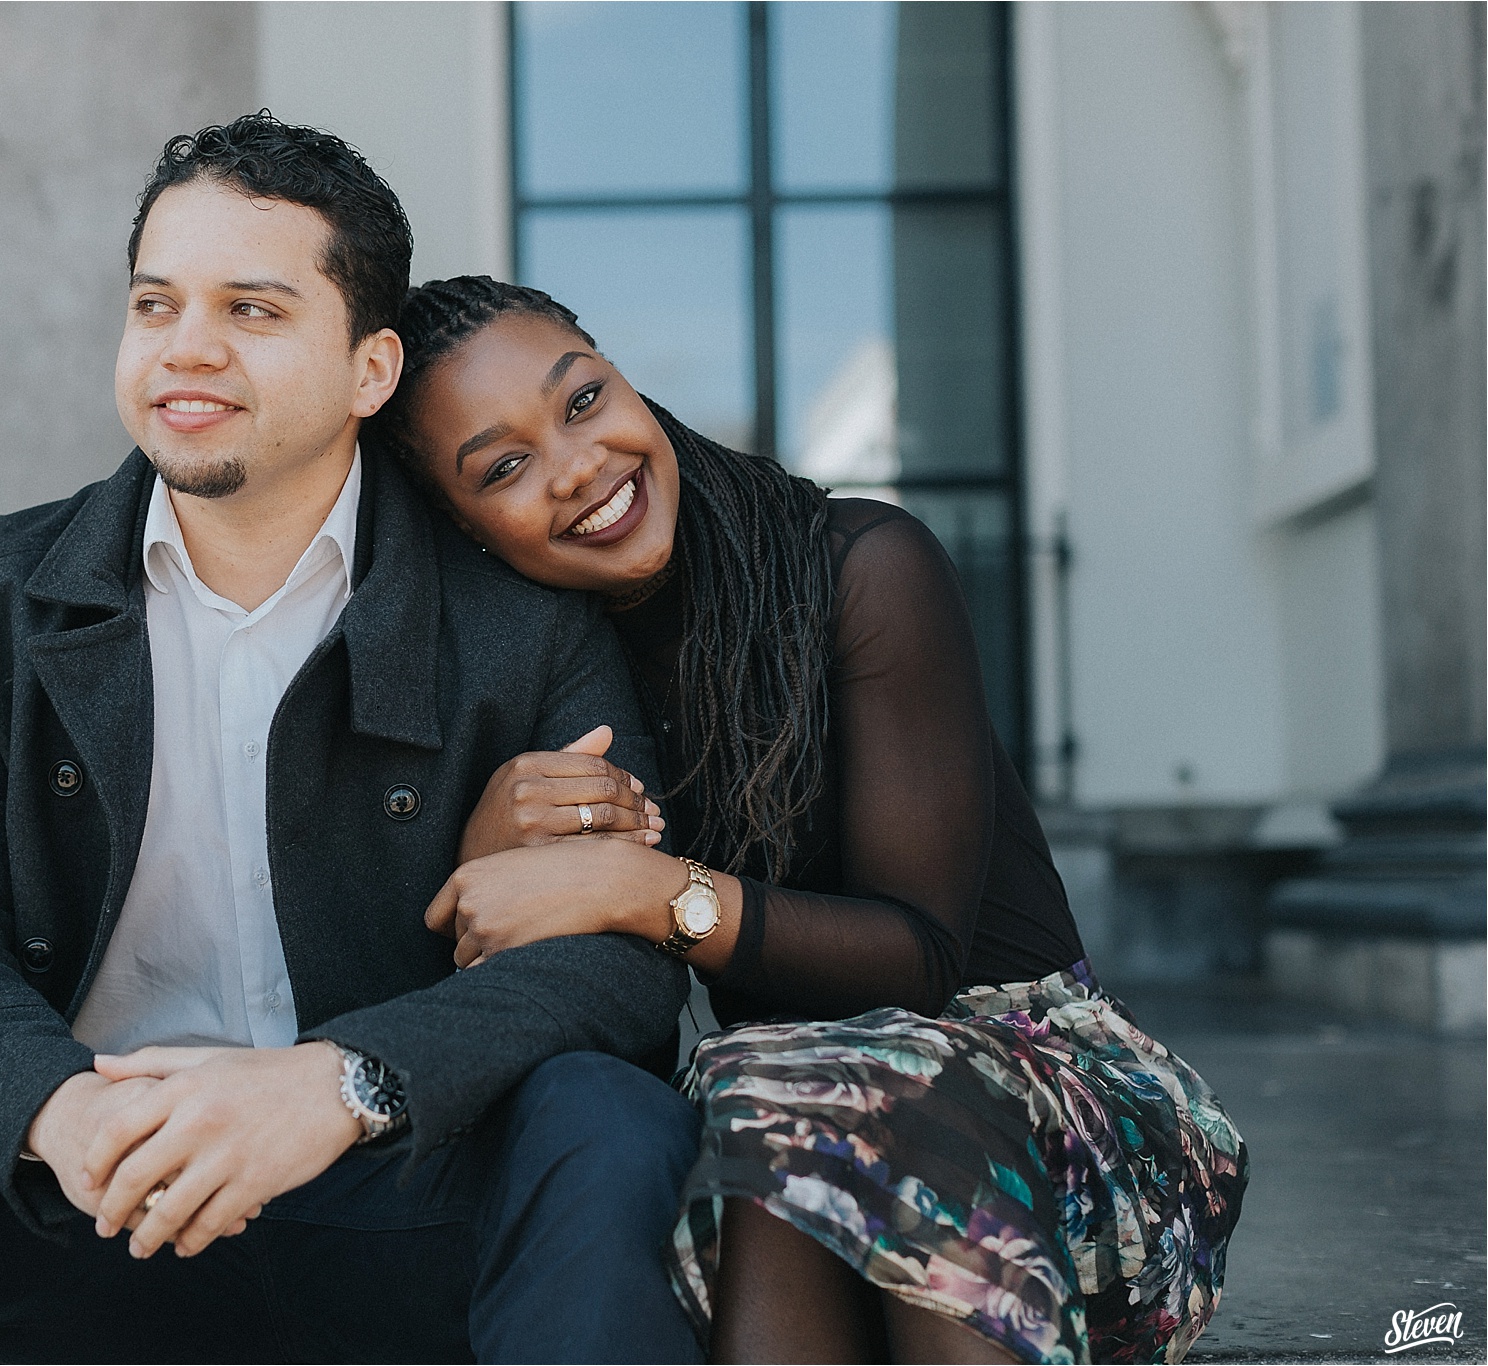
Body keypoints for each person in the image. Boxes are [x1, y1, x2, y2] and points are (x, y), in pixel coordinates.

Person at [0, 120, 704, 1365]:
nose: (186, 349)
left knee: (607, 1121)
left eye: (251, 310)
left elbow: (616, 973)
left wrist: (343, 1084)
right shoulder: (4, 587)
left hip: (391, 1188)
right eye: (156, 304)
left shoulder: (516, 623)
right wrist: (57, 1109)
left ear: (369, 369)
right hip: (86, 1196)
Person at [374, 276, 1250, 1366]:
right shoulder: (547, 688)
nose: (578, 465)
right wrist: (488, 849)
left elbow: (918, 960)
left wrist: (649, 892)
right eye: (502, 467)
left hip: (1064, 1123)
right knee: (769, 1100)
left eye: (583, 399)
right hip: (797, 1126)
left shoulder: (859, 567)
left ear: (622, 379)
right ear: (462, 532)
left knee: (812, 1087)